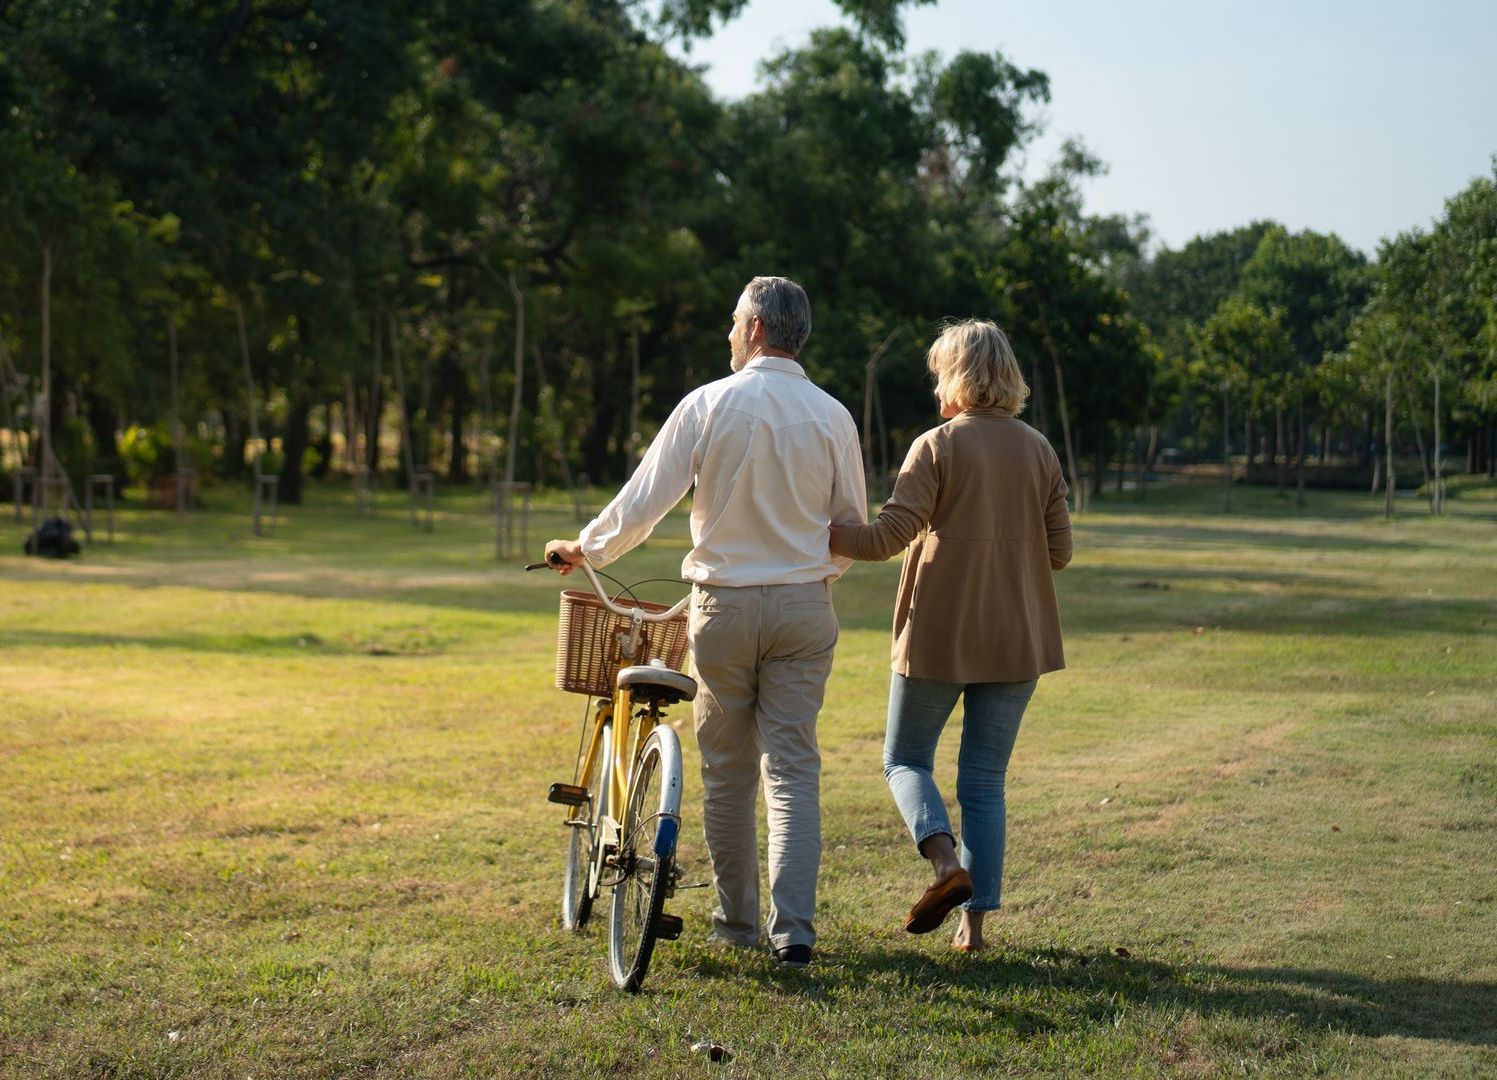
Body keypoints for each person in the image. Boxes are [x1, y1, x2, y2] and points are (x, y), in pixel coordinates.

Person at [545, 276, 867, 968]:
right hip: (803, 607)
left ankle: (736, 923)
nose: (727, 334)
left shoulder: (709, 404)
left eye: (731, 322)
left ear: (754, 329)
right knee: (792, 770)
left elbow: (643, 502)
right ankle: (796, 934)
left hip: (722, 608)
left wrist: (586, 548)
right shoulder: (833, 415)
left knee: (727, 774)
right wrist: (809, 576)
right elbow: (849, 530)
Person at [829, 318, 1071, 953]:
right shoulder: (1040, 449)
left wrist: (820, 529)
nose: (934, 384)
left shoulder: (935, 446)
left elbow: (884, 539)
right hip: (1017, 638)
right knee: (985, 782)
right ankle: (973, 930)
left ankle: (944, 866)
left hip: (938, 635)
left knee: (904, 759)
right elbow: (1061, 552)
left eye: (938, 372)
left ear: (957, 377)